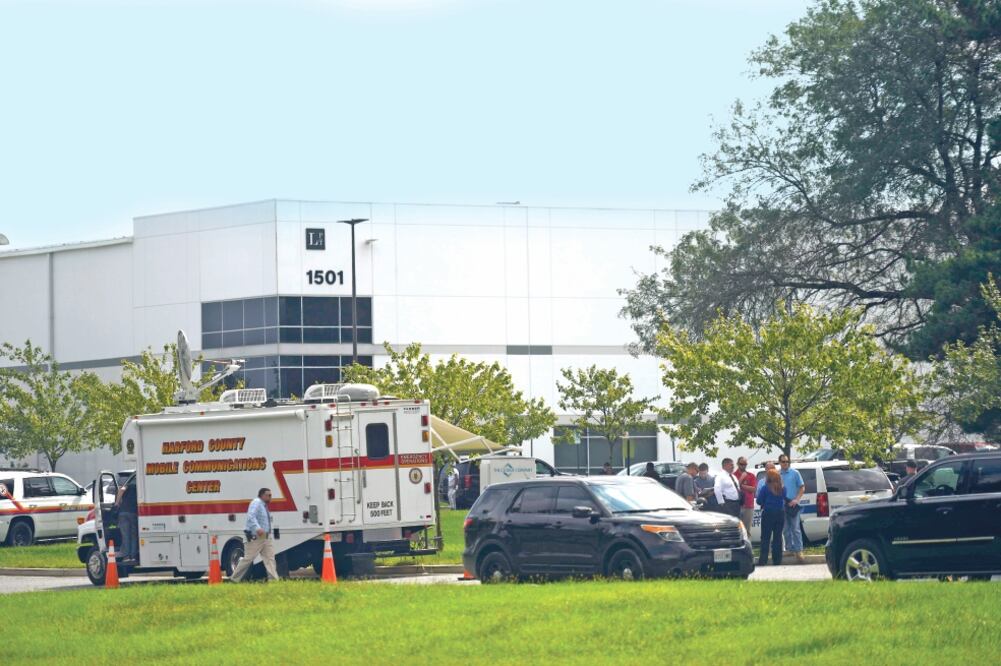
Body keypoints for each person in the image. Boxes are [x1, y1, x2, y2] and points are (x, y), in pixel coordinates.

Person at [231, 488, 279, 582]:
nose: (270, 497)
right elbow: (251, 516)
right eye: (268, 495)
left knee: (270, 558)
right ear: (262, 495)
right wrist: (258, 528)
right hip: (255, 537)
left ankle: (273, 580)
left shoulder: (263, 505)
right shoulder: (256, 503)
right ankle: (234, 578)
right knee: (248, 559)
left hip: (265, 537)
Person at [778, 454, 806, 564]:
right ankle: (790, 549)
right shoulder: (777, 474)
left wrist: (796, 499)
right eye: (783, 461)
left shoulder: (795, 473)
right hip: (782, 505)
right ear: (779, 462)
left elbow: (802, 487)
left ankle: (799, 551)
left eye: (787, 461)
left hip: (794, 505)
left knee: (796, 529)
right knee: (785, 529)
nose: (785, 463)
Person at [756, 469, 785, 566]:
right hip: (780, 513)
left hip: (768, 513)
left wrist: (765, 502)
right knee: (777, 537)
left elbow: (759, 501)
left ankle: (763, 560)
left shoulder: (765, 488)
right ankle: (777, 560)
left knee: (765, 537)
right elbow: (784, 497)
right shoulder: (782, 488)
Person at [114, 476, 139, 564]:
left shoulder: (128, 484)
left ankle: (126, 556)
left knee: (125, 535)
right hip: (134, 513)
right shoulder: (139, 486)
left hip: (124, 512)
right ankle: (133, 556)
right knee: (133, 536)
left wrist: (117, 503)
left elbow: (122, 489)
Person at [734, 457, 757, 532]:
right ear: (737, 464)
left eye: (745, 464)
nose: (743, 466)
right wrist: (741, 478)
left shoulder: (751, 475)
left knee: (747, 530)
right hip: (737, 506)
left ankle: (746, 543)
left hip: (748, 506)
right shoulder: (733, 475)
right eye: (741, 464)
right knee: (737, 529)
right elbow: (734, 487)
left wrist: (741, 485)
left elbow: (753, 489)